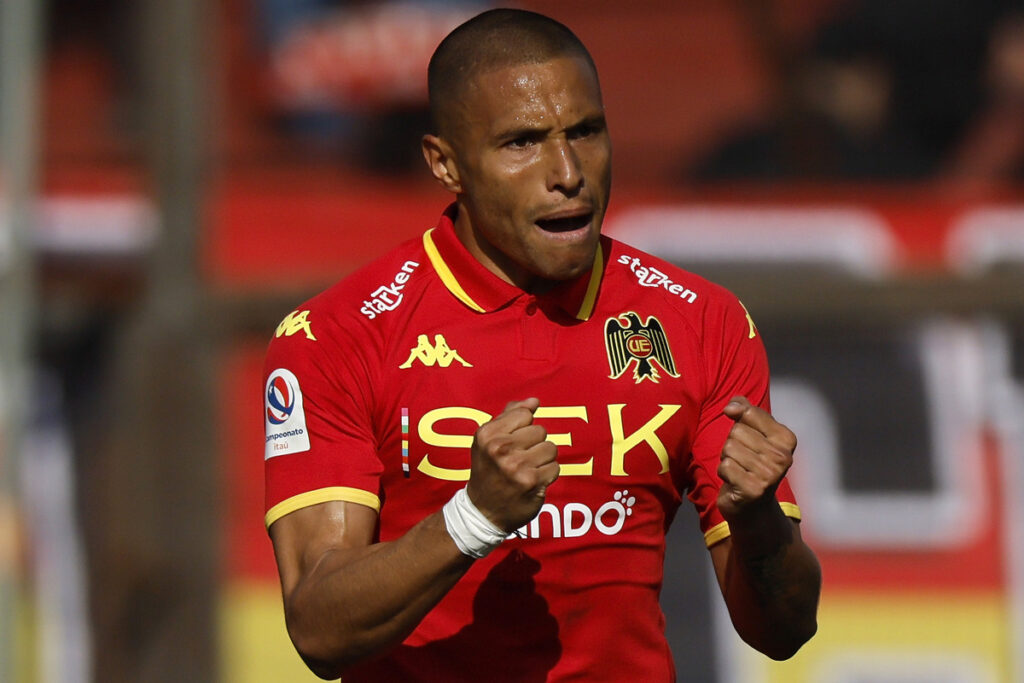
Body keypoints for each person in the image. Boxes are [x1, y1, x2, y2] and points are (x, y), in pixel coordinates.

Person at [263, 8, 821, 681]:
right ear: (446, 164)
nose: (567, 171)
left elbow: (784, 629)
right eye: (522, 142)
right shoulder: (338, 336)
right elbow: (319, 626)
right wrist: (473, 517)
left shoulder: (703, 322)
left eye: (586, 131)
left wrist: (759, 520)